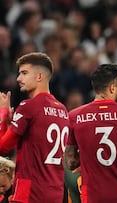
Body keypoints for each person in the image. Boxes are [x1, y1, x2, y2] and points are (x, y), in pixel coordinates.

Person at [64, 64, 117, 203]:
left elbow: (71, 162)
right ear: (112, 87)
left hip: (92, 195)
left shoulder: (74, 116)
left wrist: (88, 159)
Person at [0, 52, 69, 203]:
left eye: (24, 73)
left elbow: (3, 147)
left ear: (39, 77)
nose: (19, 78)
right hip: (55, 190)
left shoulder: (28, 106)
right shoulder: (63, 109)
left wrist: (3, 115)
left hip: (29, 190)